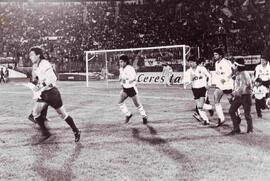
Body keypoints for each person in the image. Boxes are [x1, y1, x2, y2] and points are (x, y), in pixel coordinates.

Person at [29, 47, 80, 142]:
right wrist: (37, 85)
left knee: (63, 114)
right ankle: (46, 133)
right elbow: (43, 79)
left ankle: (76, 130)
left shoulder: (44, 63)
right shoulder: (38, 65)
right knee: (35, 113)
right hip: (44, 93)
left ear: (38, 55)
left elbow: (53, 77)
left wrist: (40, 86)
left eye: (32, 55)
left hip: (52, 93)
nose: (30, 57)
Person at [118, 54, 148, 124]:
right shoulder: (121, 69)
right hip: (125, 89)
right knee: (120, 102)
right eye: (120, 62)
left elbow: (134, 78)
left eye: (122, 62)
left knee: (137, 105)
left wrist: (126, 79)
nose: (120, 63)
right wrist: (121, 81)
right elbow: (121, 78)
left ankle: (144, 116)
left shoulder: (130, 68)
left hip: (131, 88)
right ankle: (128, 114)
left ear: (125, 62)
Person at [183, 57, 212, 125]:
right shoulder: (188, 71)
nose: (191, 63)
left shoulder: (201, 68)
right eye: (189, 62)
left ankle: (210, 108)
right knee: (199, 107)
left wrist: (209, 84)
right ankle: (206, 120)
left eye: (192, 62)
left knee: (200, 106)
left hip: (202, 89)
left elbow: (209, 76)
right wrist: (190, 79)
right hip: (194, 89)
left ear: (196, 62)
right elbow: (184, 81)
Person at [228, 58, 253, 135]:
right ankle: (236, 129)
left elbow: (243, 87)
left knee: (247, 114)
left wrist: (233, 94)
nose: (233, 66)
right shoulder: (239, 73)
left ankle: (250, 130)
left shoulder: (244, 74)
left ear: (238, 65)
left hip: (246, 96)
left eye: (235, 65)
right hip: (239, 96)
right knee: (231, 110)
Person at [212, 47, 234, 126]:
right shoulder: (216, 63)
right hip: (220, 85)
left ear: (220, 55)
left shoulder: (226, 62)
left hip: (227, 84)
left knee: (231, 101)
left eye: (216, 54)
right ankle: (221, 118)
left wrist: (225, 80)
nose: (214, 56)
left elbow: (232, 72)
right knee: (216, 98)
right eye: (214, 54)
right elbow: (219, 74)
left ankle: (238, 115)